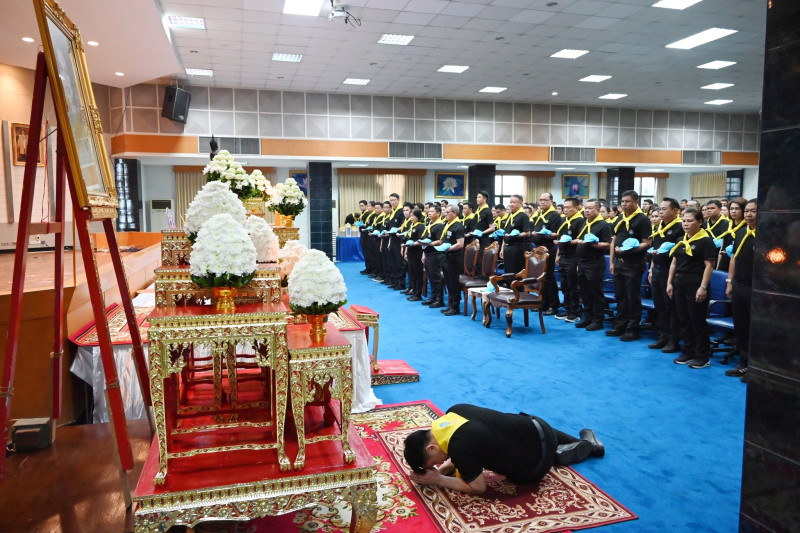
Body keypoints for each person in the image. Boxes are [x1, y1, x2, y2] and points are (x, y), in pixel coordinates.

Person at [403, 404, 605, 494]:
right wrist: (444, 469)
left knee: (526, 465)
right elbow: (465, 444)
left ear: (431, 448)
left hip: (536, 466)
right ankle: (586, 445)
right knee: (509, 429)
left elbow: (478, 487)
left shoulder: (459, 447)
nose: (441, 462)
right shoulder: (453, 412)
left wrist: (439, 479)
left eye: (435, 462)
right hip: (537, 425)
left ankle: (560, 454)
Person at [667, 207, 717, 368]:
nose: (686, 224)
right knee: (683, 319)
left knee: (697, 321)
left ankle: (702, 356)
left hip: (695, 284)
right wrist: (669, 283)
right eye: (684, 221)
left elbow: (709, 266)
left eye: (690, 221)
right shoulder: (681, 239)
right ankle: (688, 351)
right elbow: (674, 263)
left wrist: (703, 287)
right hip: (679, 283)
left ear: (700, 222)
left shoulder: (706, 241)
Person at [607, 190, 652, 341]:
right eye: (622, 201)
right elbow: (614, 241)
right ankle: (620, 325)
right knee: (620, 296)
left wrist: (630, 250)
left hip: (634, 263)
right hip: (619, 263)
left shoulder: (642, 219)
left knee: (632, 297)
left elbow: (647, 243)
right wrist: (611, 262)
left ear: (636, 202)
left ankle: (632, 329)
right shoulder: (621, 217)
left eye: (627, 201)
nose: (624, 204)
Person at [725, 200, 757, 380]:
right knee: (741, 326)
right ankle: (744, 363)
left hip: (756, 288)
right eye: (747, 211)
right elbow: (733, 258)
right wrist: (730, 282)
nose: (749, 215)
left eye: (753, 211)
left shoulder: (767, 235)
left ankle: (755, 367)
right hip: (739, 285)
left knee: (755, 329)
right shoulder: (741, 232)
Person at [647, 198, 684, 353]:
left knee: (671, 307)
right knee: (660, 306)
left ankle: (673, 339)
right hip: (657, 270)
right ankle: (663, 336)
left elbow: (678, 254)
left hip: (670, 271)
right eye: (660, 209)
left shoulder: (680, 227)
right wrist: (651, 269)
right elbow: (655, 251)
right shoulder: (659, 226)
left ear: (675, 211)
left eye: (664, 209)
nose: (660, 212)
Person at [574, 199, 611, 330]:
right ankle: (588, 317)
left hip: (594, 262)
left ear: (598, 210)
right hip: (582, 262)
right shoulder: (585, 223)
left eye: (590, 208)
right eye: (586, 208)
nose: (587, 211)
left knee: (596, 292)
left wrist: (593, 244)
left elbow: (608, 244)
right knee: (584, 292)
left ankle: (598, 320)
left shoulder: (603, 225)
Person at [553, 197, 585, 322]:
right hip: (563, 256)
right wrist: (558, 254)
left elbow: (580, 240)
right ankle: (567, 309)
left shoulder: (580, 220)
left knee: (573, 286)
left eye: (568, 208)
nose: (565, 210)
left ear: (576, 208)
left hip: (574, 257)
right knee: (564, 285)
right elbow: (560, 239)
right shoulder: (564, 220)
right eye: (564, 207)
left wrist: (568, 242)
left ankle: (575, 312)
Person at [530, 193, 562, 314]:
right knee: (541, 278)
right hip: (539, 249)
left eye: (545, 200)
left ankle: (553, 305)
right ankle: (543, 302)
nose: (542, 202)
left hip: (548, 249)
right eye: (540, 200)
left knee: (549, 277)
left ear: (551, 201)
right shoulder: (540, 214)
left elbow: (557, 233)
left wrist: (544, 234)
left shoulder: (554, 215)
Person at [435, 205, 466, 315]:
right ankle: (451, 305)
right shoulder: (448, 224)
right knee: (448, 282)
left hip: (453, 258)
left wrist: (448, 248)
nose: (445, 214)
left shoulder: (458, 226)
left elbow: (460, 244)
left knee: (453, 283)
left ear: (455, 213)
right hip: (446, 257)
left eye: (447, 212)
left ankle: (456, 307)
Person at [499, 194, 531, 276]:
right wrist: (502, 248)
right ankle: (509, 284)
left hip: (518, 247)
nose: (511, 204)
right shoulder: (510, 215)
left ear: (520, 203)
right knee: (508, 271)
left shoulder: (523, 216)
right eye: (510, 202)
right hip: (508, 247)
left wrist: (516, 235)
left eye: (514, 202)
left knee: (516, 272)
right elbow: (506, 233)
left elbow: (527, 233)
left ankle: (516, 284)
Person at [421, 206, 446, 308]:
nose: (429, 213)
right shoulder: (430, 224)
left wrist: (429, 244)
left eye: (432, 211)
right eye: (429, 211)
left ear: (438, 213)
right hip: (428, 254)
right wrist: (423, 252)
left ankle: (439, 300)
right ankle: (433, 297)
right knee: (431, 277)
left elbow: (440, 241)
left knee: (436, 278)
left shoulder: (439, 225)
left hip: (436, 254)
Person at [404, 208, 427, 302]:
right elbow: (408, 238)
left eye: (413, 216)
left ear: (418, 216)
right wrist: (406, 250)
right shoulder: (412, 225)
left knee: (418, 273)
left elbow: (421, 240)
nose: (411, 218)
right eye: (410, 216)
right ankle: (413, 291)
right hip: (411, 251)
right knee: (412, 272)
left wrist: (413, 244)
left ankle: (418, 294)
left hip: (417, 251)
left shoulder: (420, 226)